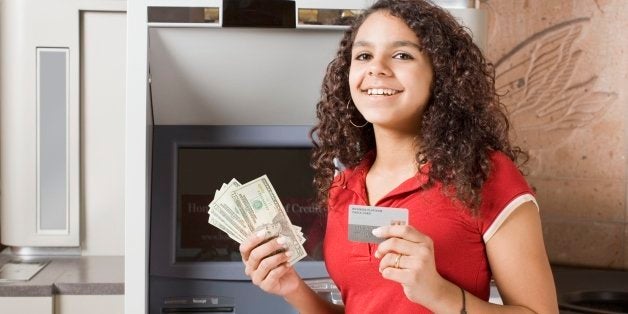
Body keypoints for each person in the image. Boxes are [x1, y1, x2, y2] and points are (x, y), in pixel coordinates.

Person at [239, 0, 559, 312]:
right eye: (364, 55)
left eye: (402, 54)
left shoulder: (484, 175)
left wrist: (439, 294)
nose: (377, 68)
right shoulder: (344, 187)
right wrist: (292, 288)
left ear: (440, 75)